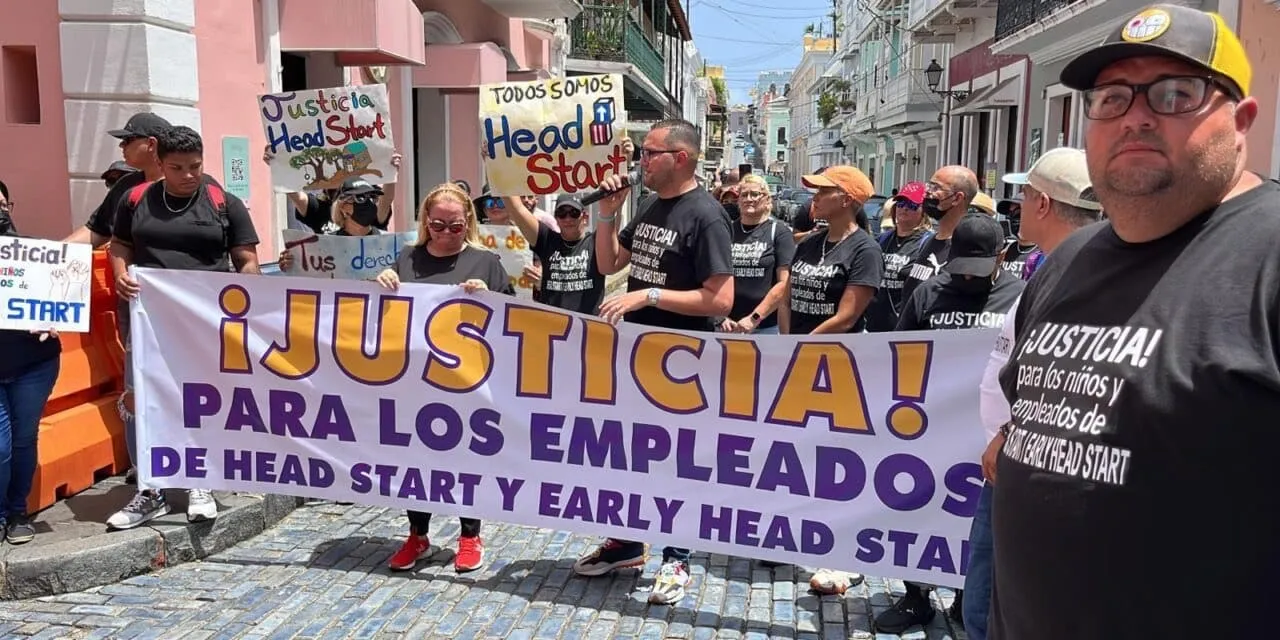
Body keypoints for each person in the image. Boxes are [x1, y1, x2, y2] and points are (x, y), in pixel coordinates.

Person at [992, 6, 1278, 639]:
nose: (1136, 117)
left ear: (1243, 121)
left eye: (1176, 94)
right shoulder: (1069, 260)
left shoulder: (1269, 259)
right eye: (1111, 98)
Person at [582, 118, 734, 605]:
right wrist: (607, 215)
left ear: (680, 158)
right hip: (639, 356)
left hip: (684, 363)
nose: (640, 161)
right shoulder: (650, 205)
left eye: (649, 153)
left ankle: (678, 555)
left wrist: (647, 296)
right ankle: (627, 542)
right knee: (631, 455)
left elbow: (721, 299)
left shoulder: (706, 216)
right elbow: (608, 264)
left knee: (678, 461)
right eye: (642, 154)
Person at [969, 147, 1102, 640]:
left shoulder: (1079, 273)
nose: (1016, 206)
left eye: (1023, 195)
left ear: (1043, 204)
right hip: (1014, 461)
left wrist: (1010, 431)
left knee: (990, 603)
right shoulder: (1054, 267)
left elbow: (1074, 375)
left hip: (1025, 463)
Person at [106, 125, 261, 529]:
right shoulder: (135, 199)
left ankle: (200, 480)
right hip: (148, 321)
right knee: (141, 400)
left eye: (195, 165)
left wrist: (246, 299)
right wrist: (120, 273)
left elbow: (246, 260)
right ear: (159, 163)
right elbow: (119, 245)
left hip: (205, 323)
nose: (188, 175)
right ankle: (150, 489)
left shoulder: (223, 203)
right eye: (177, 167)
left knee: (200, 399)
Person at [375, 183, 512, 573]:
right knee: (414, 459)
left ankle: (470, 535)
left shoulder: (485, 261)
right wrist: (382, 281)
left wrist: (490, 297)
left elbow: (514, 318)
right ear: (425, 221)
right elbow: (383, 314)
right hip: (413, 379)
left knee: (466, 457)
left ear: (468, 221)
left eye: (455, 226)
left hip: (466, 381)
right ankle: (417, 534)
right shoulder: (408, 258)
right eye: (438, 225)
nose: (446, 233)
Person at [0, 180, 62, 544]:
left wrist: (56, 319)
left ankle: (16, 511)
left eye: (3, 204)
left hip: (33, 364)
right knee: (1, 446)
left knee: (24, 439)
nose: (0, 212)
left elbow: (60, 300)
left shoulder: (35, 254)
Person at [781, 166, 882, 336]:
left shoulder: (866, 251)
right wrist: (787, 342)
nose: (815, 197)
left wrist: (803, 345)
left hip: (834, 350)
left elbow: (846, 318)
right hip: (794, 347)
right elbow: (785, 302)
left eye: (824, 191)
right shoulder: (809, 242)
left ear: (846, 200)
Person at [65, 112, 172, 247]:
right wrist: (54, 251)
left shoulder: (184, 187)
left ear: (151, 144)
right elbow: (97, 231)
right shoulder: (126, 185)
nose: (121, 145)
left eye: (128, 140)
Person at [503, 192, 606, 315]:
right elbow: (517, 208)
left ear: (585, 217)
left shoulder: (597, 242)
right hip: (552, 321)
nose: (568, 219)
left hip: (588, 323)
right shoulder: (546, 239)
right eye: (562, 213)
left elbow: (610, 218)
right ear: (556, 218)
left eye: (574, 213)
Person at [264, 146, 401, 234]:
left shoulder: (368, 206)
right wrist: (278, 167)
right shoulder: (320, 208)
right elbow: (297, 197)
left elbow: (386, 200)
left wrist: (390, 170)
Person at [721, 174, 794, 334]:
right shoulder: (727, 231)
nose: (749, 199)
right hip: (727, 326)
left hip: (765, 327)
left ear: (767, 200)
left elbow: (785, 284)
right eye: (744, 195)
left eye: (755, 194)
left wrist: (754, 318)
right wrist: (719, 317)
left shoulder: (779, 232)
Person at [898, 166, 980, 304]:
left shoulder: (966, 249)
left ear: (957, 198)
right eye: (928, 186)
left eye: (935, 188)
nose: (927, 193)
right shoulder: (927, 241)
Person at [865, 181, 933, 332]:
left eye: (912, 205)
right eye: (900, 203)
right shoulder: (882, 239)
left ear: (924, 210)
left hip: (905, 328)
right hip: (873, 326)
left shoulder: (927, 242)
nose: (904, 208)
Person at [277, 177, 385, 271]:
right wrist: (292, 263)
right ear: (343, 207)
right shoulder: (325, 244)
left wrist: (390, 274)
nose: (369, 203)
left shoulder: (387, 243)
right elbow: (308, 271)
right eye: (360, 198)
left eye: (372, 197)